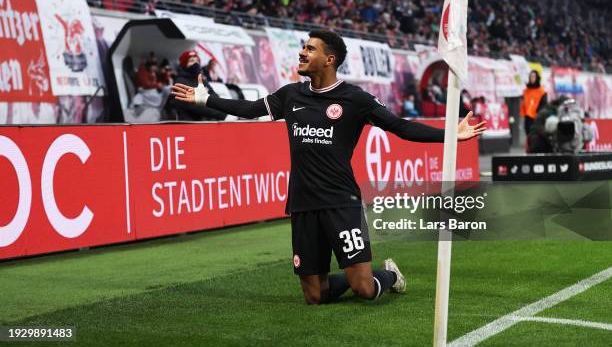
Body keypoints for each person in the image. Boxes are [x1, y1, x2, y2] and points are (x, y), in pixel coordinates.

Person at [172, 30, 486, 304]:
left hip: (340, 201)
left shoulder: (355, 99)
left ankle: (389, 277)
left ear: (329, 59)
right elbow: (251, 108)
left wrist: (450, 136)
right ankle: (347, 280)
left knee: (363, 288)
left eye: (310, 49)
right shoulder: (291, 94)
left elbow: (400, 127)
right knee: (314, 295)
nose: (302, 52)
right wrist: (205, 98)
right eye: (303, 47)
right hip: (303, 203)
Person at [168, 50, 226, 121]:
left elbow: (214, 96)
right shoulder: (180, 82)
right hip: (189, 124)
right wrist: (219, 113)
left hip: (206, 123)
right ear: (184, 64)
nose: (195, 63)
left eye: (197, 61)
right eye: (191, 61)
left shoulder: (201, 80)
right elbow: (192, 105)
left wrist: (224, 108)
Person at [520, 70, 547, 138]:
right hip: (527, 117)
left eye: (534, 76)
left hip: (537, 118)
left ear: (537, 78)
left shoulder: (542, 92)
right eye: (531, 76)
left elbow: (543, 105)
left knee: (535, 137)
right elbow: (523, 102)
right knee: (528, 134)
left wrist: (539, 116)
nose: (532, 78)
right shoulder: (526, 91)